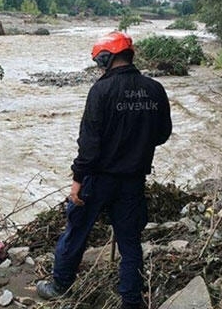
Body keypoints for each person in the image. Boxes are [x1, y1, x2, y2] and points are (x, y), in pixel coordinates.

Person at [36, 31, 172, 309]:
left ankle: (60, 284)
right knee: (130, 241)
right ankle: (132, 301)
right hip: (133, 180)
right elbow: (162, 134)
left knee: (76, 230)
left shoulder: (101, 91)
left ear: (107, 59)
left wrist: (77, 180)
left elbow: (89, 143)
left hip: (98, 178)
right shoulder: (155, 89)